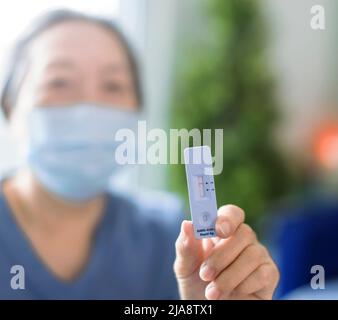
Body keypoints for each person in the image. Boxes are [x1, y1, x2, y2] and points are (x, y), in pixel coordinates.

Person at [0, 9, 279, 299]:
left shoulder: (168, 233)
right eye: (59, 82)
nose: (91, 108)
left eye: (113, 85)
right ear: (10, 107)